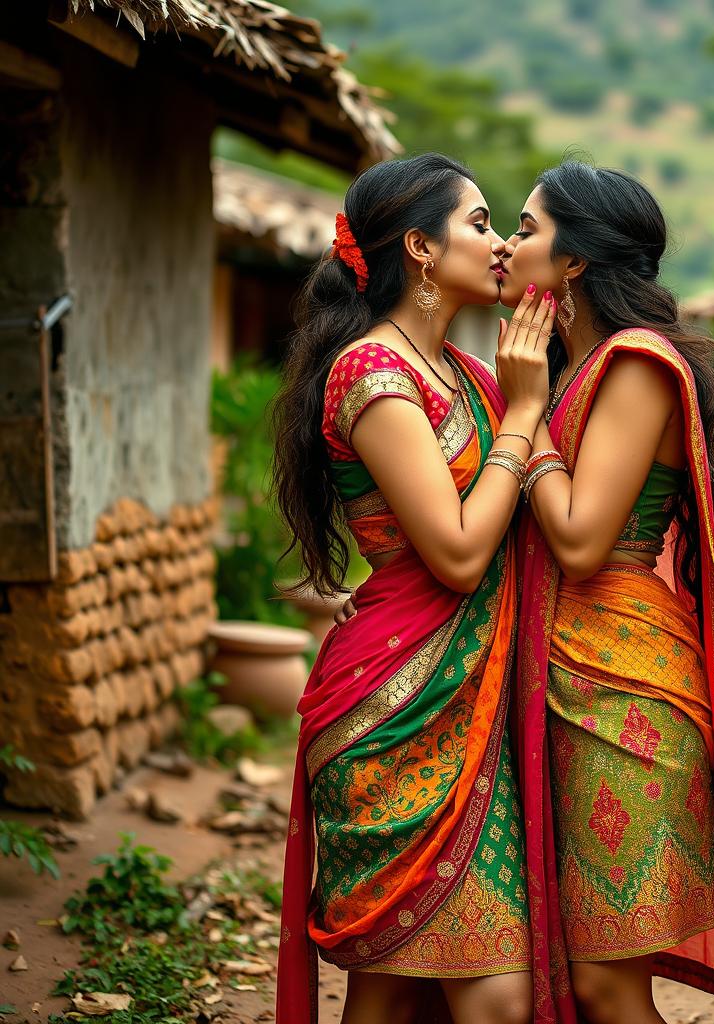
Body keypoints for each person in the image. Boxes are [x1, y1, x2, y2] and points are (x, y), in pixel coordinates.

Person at [272, 153, 554, 1024]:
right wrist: (521, 413)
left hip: (462, 699)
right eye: (479, 223)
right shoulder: (373, 377)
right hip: (393, 713)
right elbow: (462, 556)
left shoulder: (462, 376)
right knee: (490, 998)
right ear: (421, 250)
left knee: (392, 996)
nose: (501, 242)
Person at [499, 161, 714, 1024]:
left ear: (574, 261)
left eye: (526, 227)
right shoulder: (568, 367)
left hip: (624, 696)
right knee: (585, 981)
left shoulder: (637, 366)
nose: (508, 245)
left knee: (608, 985)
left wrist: (525, 416)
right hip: (561, 681)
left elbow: (581, 540)